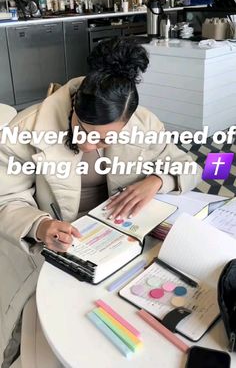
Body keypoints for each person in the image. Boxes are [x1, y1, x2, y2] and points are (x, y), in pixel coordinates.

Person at [0, 38, 202, 368]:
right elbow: (6, 199)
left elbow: (188, 165)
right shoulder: (25, 130)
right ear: (75, 106)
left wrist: (156, 181)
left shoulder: (144, 124)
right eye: (86, 131)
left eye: (109, 138)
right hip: (53, 242)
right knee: (51, 327)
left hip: (115, 236)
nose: (92, 144)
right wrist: (40, 225)